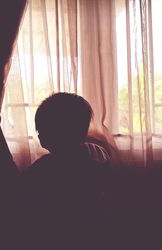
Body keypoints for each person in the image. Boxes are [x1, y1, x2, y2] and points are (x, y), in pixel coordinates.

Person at [21, 92, 110, 250]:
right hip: (95, 226)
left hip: (60, 233)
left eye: (41, 131)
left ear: (57, 133)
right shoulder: (97, 152)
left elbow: (22, 190)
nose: (39, 136)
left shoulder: (44, 168)